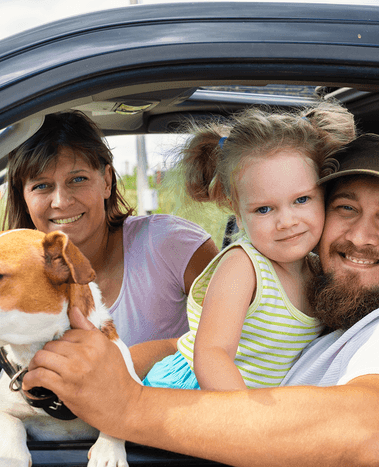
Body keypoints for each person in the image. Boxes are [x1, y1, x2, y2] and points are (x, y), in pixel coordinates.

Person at [23, 132, 379, 467]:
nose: (358, 237)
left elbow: (374, 433)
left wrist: (128, 405)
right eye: (345, 208)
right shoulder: (328, 294)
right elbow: (196, 346)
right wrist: (114, 368)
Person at [0, 111, 218, 347]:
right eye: (42, 186)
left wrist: (128, 362)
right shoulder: (22, 275)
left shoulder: (172, 244)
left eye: (78, 179)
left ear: (106, 181)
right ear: (23, 198)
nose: (61, 202)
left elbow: (248, 340)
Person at [144, 102, 355, 390]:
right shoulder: (244, 267)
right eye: (264, 209)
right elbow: (212, 355)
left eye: (302, 200)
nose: (286, 221)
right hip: (196, 397)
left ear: (325, 194)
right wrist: (251, 424)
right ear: (238, 213)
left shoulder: (317, 267)